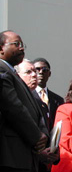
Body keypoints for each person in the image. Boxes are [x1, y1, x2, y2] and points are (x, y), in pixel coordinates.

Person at [0, 30, 48, 172]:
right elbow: (13, 107)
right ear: (1, 48)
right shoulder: (2, 71)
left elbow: (34, 109)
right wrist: (36, 136)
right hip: (12, 153)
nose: (21, 48)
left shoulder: (13, 74)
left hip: (26, 153)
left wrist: (43, 133)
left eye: (22, 45)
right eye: (16, 44)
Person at [15, 59, 60, 171]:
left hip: (42, 161)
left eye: (35, 71)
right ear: (17, 75)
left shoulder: (46, 101)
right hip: (19, 160)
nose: (35, 74)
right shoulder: (13, 98)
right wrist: (38, 153)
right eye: (29, 72)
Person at [32, 57, 64, 132]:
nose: (41, 72)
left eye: (45, 70)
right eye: (37, 69)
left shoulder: (58, 100)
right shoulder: (28, 96)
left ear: (49, 74)